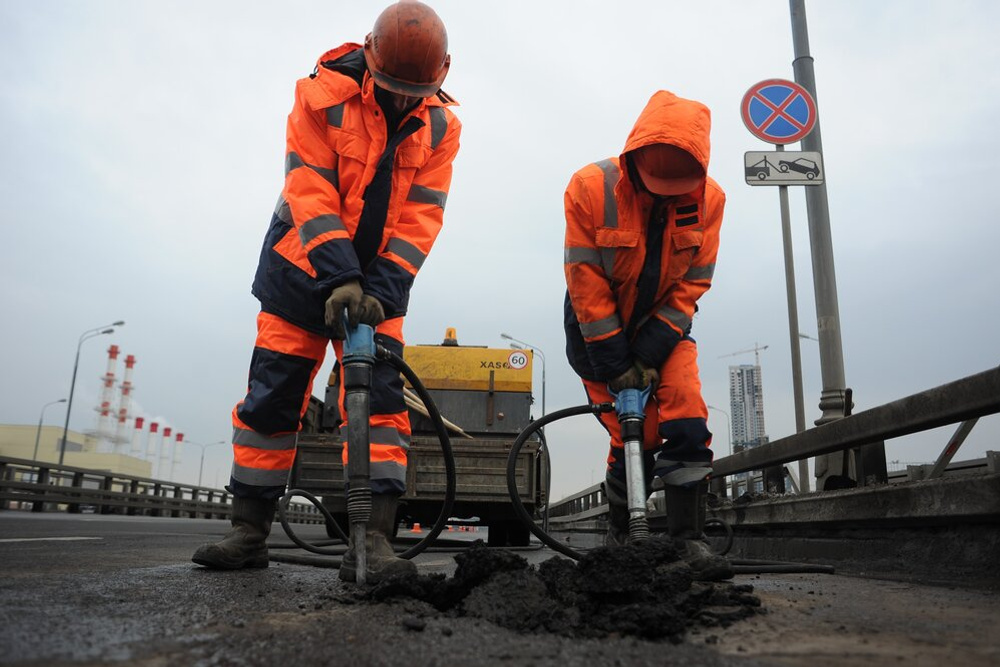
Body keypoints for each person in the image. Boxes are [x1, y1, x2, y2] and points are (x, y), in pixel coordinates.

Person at [192, 0, 461, 583]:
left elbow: (421, 218)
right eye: (391, 88)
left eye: (413, 92)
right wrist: (340, 276)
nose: (400, 100)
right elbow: (309, 187)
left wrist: (378, 291)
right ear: (369, 57)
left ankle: (373, 541)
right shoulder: (321, 96)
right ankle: (248, 532)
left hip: (377, 291)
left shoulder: (442, 126)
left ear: (441, 76)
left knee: (383, 407)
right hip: (300, 271)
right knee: (274, 397)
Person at [562, 90, 731, 581]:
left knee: (687, 420)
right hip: (598, 338)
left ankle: (687, 540)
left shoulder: (711, 200)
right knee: (633, 433)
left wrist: (653, 351)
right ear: (633, 157)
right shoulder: (589, 187)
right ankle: (623, 533)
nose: (660, 195)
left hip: (666, 332)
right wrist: (617, 364)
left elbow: (693, 282)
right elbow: (586, 281)